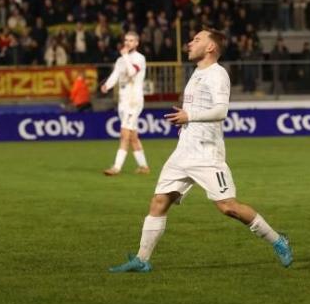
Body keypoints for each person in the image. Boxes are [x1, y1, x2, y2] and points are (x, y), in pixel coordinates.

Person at [109, 28, 293, 273]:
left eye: (196, 39)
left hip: (206, 153)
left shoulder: (217, 74)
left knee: (228, 207)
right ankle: (142, 260)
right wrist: (185, 122)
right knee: (159, 201)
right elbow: (197, 111)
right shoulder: (197, 73)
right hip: (183, 151)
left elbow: (221, 111)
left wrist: (189, 115)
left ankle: (278, 240)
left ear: (210, 47)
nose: (189, 43)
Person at [100, 31, 149, 175]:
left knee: (124, 134)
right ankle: (144, 167)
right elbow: (116, 75)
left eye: (131, 40)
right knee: (133, 136)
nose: (128, 43)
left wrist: (126, 56)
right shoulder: (121, 60)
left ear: (137, 43)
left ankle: (116, 167)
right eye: (126, 40)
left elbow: (132, 72)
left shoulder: (140, 58)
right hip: (123, 101)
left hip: (134, 101)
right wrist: (107, 86)